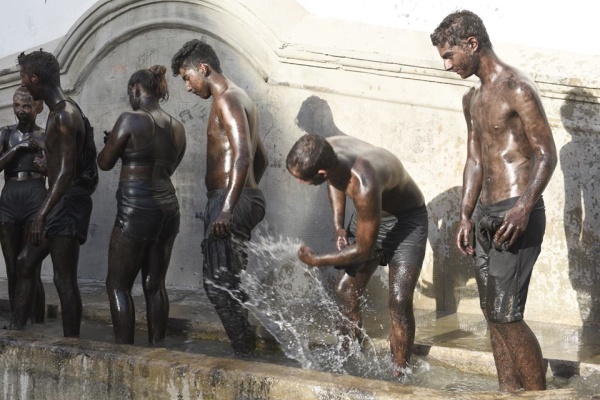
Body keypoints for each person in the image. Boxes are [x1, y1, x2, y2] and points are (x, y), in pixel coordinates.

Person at [431, 10, 557, 391]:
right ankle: (508, 391)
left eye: (450, 56)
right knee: (491, 312)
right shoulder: (472, 98)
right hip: (485, 213)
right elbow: (475, 160)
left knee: (506, 315)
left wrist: (523, 207)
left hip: (515, 211)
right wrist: (465, 215)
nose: (447, 65)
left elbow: (547, 154)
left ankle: (537, 394)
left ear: (472, 44)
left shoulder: (516, 87)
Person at [286, 133, 428, 376]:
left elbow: (364, 249)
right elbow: (334, 182)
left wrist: (317, 261)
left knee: (399, 300)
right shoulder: (330, 149)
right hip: (372, 216)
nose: (300, 183)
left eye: (303, 180)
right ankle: (349, 354)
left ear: (320, 173)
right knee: (345, 290)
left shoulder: (364, 182)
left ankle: (399, 372)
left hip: (407, 221)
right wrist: (339, 226)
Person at [171, 39, 268, 357]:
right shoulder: (242, 98)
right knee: (229, 279)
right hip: (241, 199)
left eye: (187, 77)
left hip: (228, 201)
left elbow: (242, 156)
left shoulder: (225, 99)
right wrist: (246, 196)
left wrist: (227, 207)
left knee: (216, 284)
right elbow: (261, 158)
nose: (187, 87)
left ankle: (245, 353)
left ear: (203, 68)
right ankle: (247, 342)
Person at [98, 65, 186, 345]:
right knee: (154, 284)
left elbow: (104, 162)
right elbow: (168, 167)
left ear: (136, 89)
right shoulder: (178, 127)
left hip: (136, 207)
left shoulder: (130, 119)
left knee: (117, 285)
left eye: (130, 93)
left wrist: (112, 142)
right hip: (168, 208)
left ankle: (125, 357)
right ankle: (156, 350)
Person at [12, 49, 94, 337]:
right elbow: (62, 166)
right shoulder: (60, 111)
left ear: (34, 79)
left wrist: (40, 216)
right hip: (61, 199)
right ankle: (16, 333)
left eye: (23, 77)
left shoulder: (64, 115)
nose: (21, 83)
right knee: (25, 262)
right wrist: (48, 165)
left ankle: (71, 344)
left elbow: (67, 173)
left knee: (63, 279)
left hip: (67, 203)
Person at [0, 86, 46, 323]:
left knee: (30, 264)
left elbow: (58, 170)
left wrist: (43, 166)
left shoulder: (45, 135)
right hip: (9, 198)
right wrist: (18, 148)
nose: (21, 111)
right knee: (11, 266)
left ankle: (37, 319)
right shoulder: (6, 133)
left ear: (38, 107)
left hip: (35, 197)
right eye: (17, 105)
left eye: (26, 106)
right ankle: (17, 319)